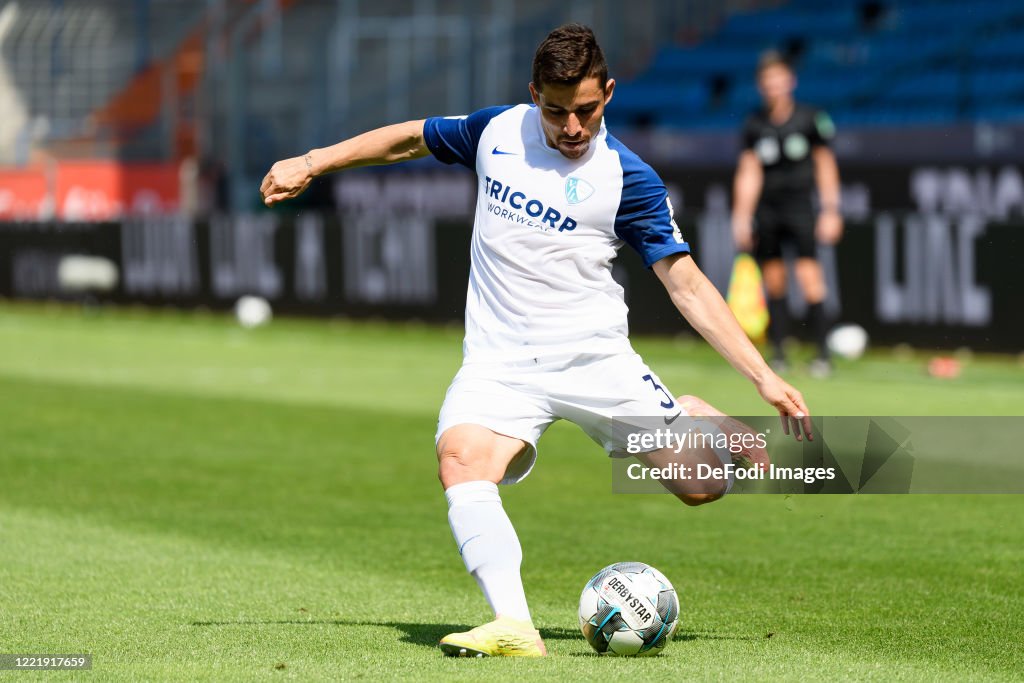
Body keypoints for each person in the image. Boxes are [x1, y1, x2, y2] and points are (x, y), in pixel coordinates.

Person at [261, 24, 811, 658]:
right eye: (556, 111)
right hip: (499, 363)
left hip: (594, 360)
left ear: (608, 92)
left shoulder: (628, 179)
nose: (571, 127)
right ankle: (514, 626)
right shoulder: (498, 131)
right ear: (534, 96)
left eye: (586, 110)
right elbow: (410, 138)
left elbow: (685, 284)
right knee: (461, 460)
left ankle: (698, 419)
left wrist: (762, 377)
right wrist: (311, 161)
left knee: (701, 487)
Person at [732, 50, 843, 377]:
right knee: (774, 279)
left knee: (810, 276)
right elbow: (748, 171)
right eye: (767, 81)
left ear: (790, 82)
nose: (773, 86)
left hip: (800, 206)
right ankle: (779, 351)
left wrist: (831, 209)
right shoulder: (754, 123)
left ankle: (821, 353)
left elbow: (825, 164)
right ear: (760, 85)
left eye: (779, 79)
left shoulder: (811, 119)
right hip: (767, 209)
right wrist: (741, 215)